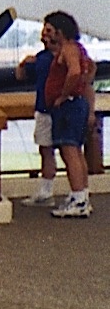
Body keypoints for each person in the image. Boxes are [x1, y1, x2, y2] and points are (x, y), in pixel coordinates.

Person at [40, 11, 95, 219]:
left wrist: (64, 95)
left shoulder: (69, 49)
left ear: (61, 31)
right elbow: (90, 68)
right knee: (75, 151)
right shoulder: (78, 49)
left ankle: (79, 199)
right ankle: (80, 194)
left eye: (51, 30)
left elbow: (73, 72)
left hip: (69, 107)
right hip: (76, 105)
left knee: (69, 151)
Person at [16, 26, 57, 205]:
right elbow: (20, 76)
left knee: (63, 151)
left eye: (49, 30)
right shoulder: (41, 58)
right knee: (46, 149)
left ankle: (51, 192)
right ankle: (47, 190)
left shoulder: (59, 56)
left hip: (52, 110)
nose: (44, 35)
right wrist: (24, 63)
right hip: (45, 109)